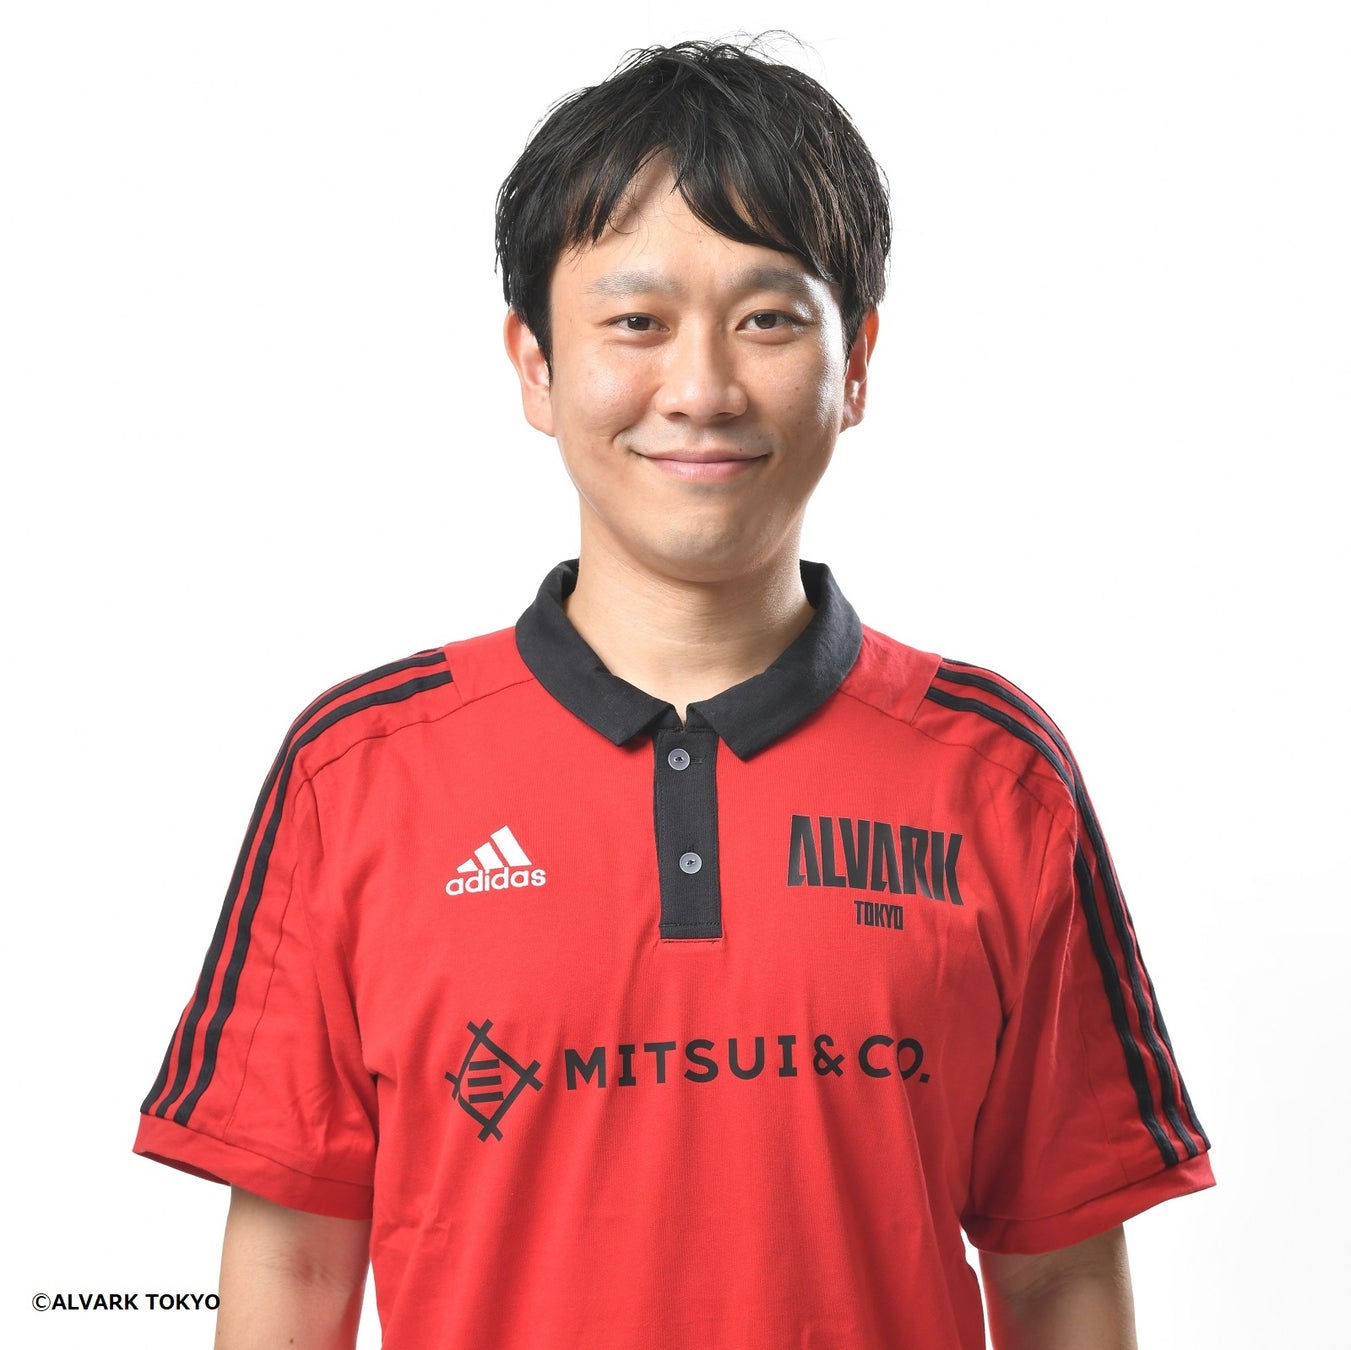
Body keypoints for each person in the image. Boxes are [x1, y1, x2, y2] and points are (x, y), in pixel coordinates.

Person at [134, 39, 1213, 1349]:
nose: (700, 390)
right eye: (636, 323)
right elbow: (297, 1270)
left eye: (769, 319)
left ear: (857, 362)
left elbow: (1054, 1278)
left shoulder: (997, 776)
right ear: (534, 365)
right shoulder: (357, 773)